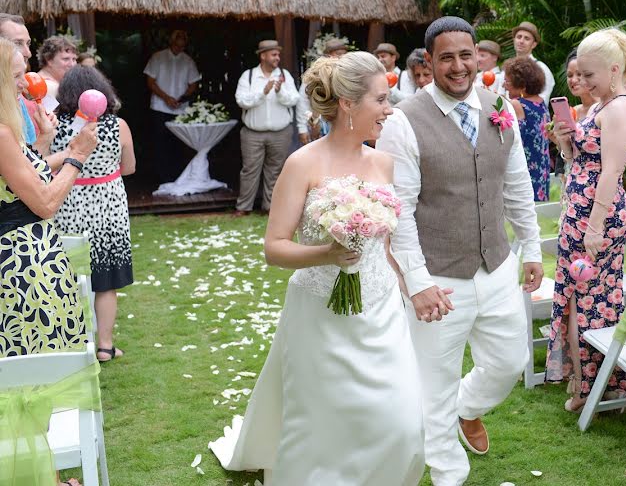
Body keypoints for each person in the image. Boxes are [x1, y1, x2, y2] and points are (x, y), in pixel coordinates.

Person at [210, 51, 424, 485]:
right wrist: (326, 253)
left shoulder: (383, 162)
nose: (389, 109)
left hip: (381, 306)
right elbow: (274, 248)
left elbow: (388, 242)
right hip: (320, 309)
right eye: (381, 100)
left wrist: (409, 286)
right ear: (348, 104)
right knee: (322, 422)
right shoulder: (302, 163)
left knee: (402, 420)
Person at [377, 16, 542, 486]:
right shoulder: (403, 121)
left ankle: (466, 409)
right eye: (445, 57)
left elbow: (517, 184)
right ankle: (450, 472)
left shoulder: (500, 108)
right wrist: (418, 281)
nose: (457, 66)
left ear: (478, 57)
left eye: (465, 55)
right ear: (428, 63)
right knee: (436, 382)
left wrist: (530, 247)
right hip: (439, 277)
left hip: (496, 265)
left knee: (510, 362)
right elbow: (399, 213)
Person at [546, 29, 626, 412]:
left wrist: (596, 225)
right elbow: (580, 162)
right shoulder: (599, 107)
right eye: (579, 75)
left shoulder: (620, 108)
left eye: (589, 75)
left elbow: (611, 172)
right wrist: (564, 141)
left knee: (593, 300)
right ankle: (588, 382)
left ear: (615, 69)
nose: (581, 82)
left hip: (596, 214)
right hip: (580, 208)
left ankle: (598, 385)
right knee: (577, 298)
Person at [0, 38, 99, 358]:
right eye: (16, 76)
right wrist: (78, 158)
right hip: (24, 267)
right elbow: (44, 203)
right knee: (34, 372)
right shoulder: (1, 134)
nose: (25, 83)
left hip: (27, 259)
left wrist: (48, 141)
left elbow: (24, 176)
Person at [50, 66, 135, 362]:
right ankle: (105, 345)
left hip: (68, 201)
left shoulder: (54, 126)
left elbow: (42, 163)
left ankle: (73, 343)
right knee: (106, 279)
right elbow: (130, 167)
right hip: (108, 205)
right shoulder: (118, 125)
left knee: (69, 276)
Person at [234, 40, 307, 216]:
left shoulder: (284, 75)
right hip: (253, 133)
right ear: (263, 55)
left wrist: (280, 91)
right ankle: (243, 207)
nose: (277, 58)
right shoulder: (249, 76)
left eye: (278, 54)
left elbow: (294, 99)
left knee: (275, 171)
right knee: (250, 170)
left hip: (280, 132)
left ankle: (270, 207)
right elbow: (241, 101)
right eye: (274, 54)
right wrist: (263, 92)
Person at [143, 29, 202, 184]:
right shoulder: (158, 57)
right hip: (160, 107)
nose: (179, 48)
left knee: (179, 145)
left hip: (181, 109)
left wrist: (181, 99)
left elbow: (193, 84)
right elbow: (150, 81)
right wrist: (166, 98)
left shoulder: (188, 61)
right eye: (177, 45)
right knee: (161, 144)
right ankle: (162, 178)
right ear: (172, 42)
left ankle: (178, 177)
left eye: (182, 46)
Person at [503, 57, 550, 201]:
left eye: (508, 82)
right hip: (542, 166)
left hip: (526, 167)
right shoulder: (541, 102)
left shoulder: (517, 104)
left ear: (522, 86)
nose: (504, 86)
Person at [0, 14, 42, 145]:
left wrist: (46, 135)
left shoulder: (16, 97)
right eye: (17, 43)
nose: (28, 52)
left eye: (28, 44)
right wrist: (77, 153)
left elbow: (31, 159)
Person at [512, 21, 555, 105]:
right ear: (514, 40)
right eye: (519, 37)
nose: (521, 41)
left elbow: (542, 100)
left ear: (534, 44)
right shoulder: (507, 68)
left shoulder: (541, 68)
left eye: (527, 38)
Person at [37, 35, 78, 100]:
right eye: (66, 59)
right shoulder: (49, 87)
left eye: (74, 59)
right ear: (49, 60)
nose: (72, 64)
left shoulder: (38, 79)